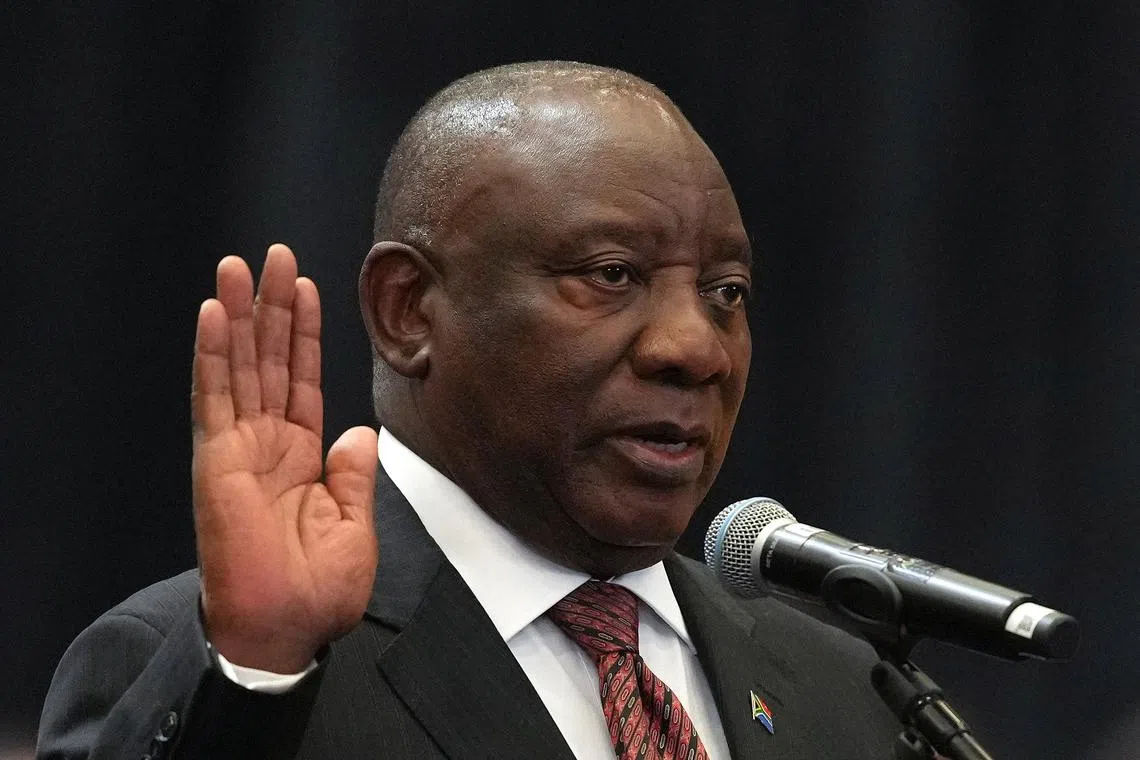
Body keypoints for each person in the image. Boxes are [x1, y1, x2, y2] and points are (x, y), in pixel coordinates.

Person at [38, 61, 902, 759]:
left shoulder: (844, 690)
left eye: (726, 291)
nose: (697, 348)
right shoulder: (226, 664)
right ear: (408, 310)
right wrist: (251, 674)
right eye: (611, 274)